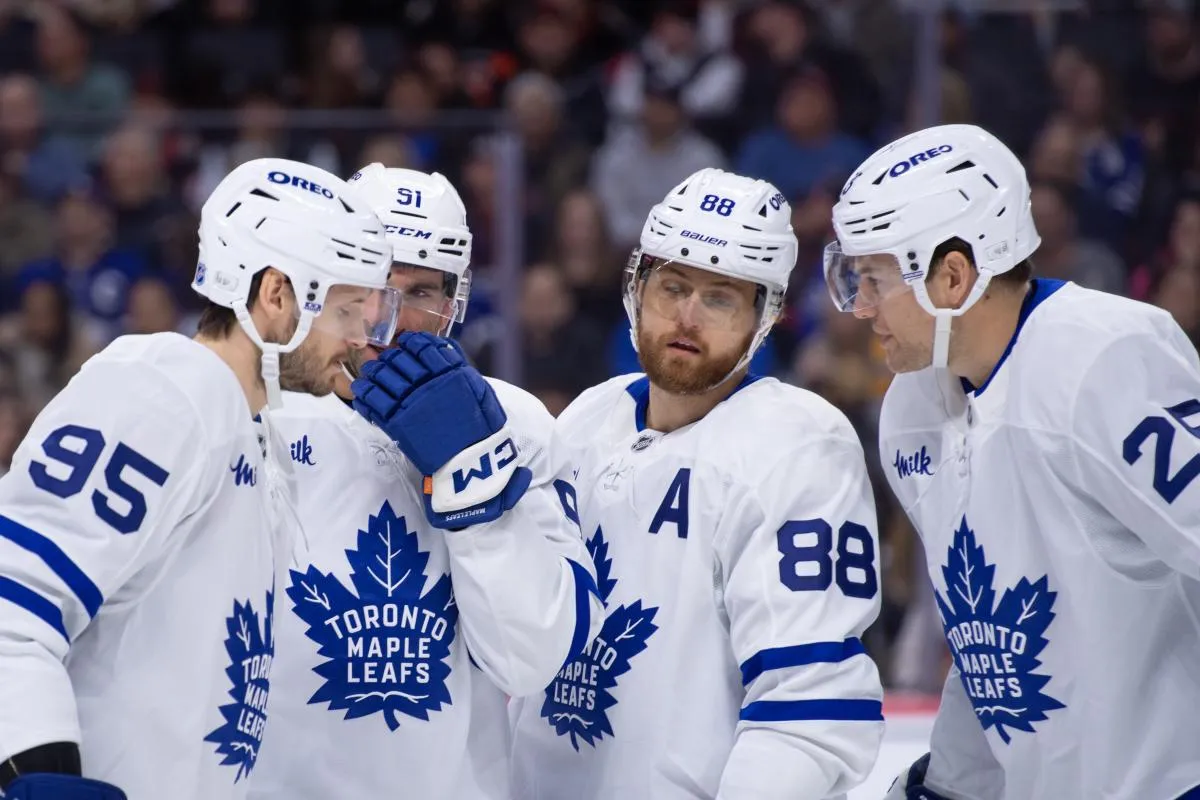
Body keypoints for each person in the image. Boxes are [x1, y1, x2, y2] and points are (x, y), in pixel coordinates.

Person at [0, 158, 399, 800]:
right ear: (277, 295)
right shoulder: (163, 388)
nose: (362, 338)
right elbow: (15, 599)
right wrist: (39, 779)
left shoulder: (254, 427)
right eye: (349, 310)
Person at [824, 123, 1200, 799]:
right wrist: (949, 785)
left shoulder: (1106, 359)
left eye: (875, 279)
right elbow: (991, 641)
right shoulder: (911, 412)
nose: (861, 308)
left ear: (953, 275)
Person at [509, 167, 885, 799]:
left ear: (764, 318)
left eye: (719, 298)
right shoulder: (587, 418)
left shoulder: (796, 444)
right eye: (672, 286)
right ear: (637, 289)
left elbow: (809, 710)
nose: (686, 317)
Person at [248, 164, 603, 799]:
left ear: (454, 305)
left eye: (423, 293)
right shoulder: (258, 409)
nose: (392, 319)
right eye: (376, 284)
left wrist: (476, 489)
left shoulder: (513, 423)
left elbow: (533, 660)